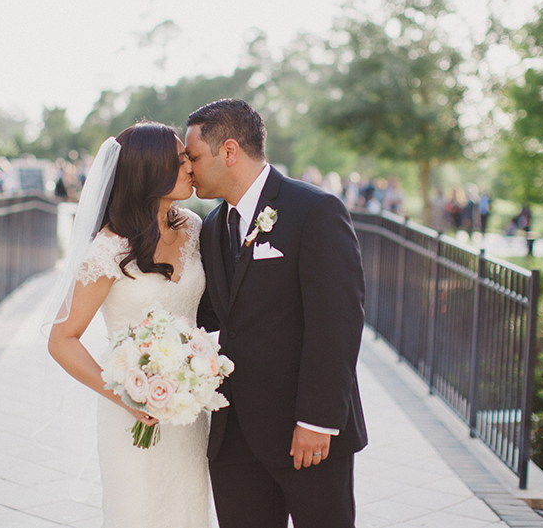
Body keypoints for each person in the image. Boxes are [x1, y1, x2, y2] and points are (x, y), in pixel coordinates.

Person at [185, 98, 368, 528]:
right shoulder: (211, 226)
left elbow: (337, 323)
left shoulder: (316, 211)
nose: (189, 169)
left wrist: (317, 420)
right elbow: (213, 318)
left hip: (304, 434)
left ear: (229, 152)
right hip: (233, 438)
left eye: (193, 157)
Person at [47, 122, 211, 528]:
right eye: (179, 161)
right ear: (150, 170)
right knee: (138, 513)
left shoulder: (192, 227)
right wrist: (129, 398)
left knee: (189, 511)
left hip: (189, 411)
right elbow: (61, 338)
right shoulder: (109, 248)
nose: (190, 167)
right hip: (133, 411)